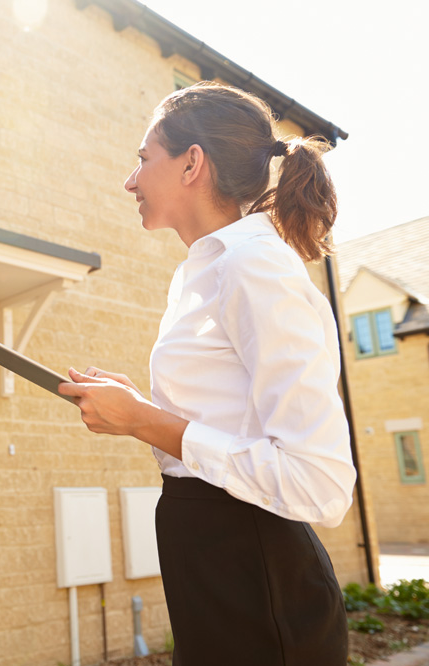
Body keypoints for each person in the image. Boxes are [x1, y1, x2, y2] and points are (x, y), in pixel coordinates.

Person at [58, 82, 357, 666]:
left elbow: (320, 484)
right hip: (211, 575)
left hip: (261, 593)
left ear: (192, 163)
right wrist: (141, 410)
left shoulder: (254, 268)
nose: (130, 180)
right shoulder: (201, 273)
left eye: (143, 159)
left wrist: (146, 421)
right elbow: (225, 423)